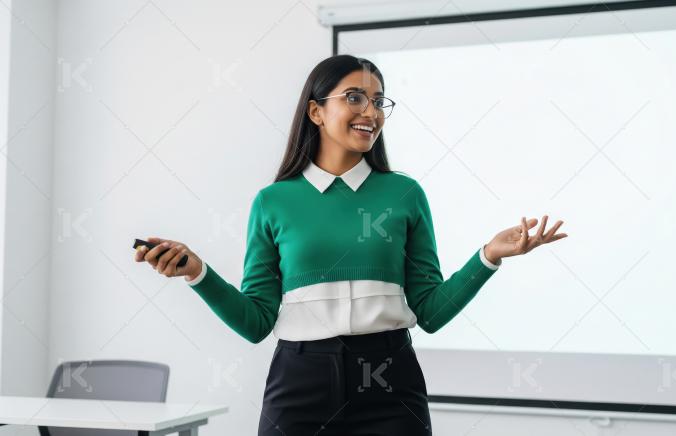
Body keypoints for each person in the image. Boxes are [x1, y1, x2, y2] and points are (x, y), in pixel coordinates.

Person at [134, 54, 568, 435]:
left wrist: (488, 257)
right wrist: (197, 273)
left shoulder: (404, 194)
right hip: (300, 382)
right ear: (316, 112)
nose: (372, 111)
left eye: (379, 101)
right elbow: (256, 322)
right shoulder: (274, 202)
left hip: (389, 381)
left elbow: (430, 313)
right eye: (355, 97)